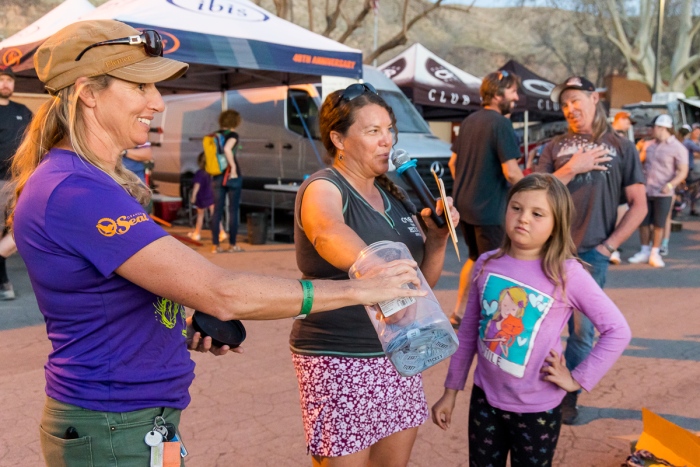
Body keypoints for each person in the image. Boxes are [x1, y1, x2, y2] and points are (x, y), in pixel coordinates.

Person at [9, 20, 424, 466]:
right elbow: (221, 292)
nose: (157, 101)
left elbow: (113, 299)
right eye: (140, 86)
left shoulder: (91, 183)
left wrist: (176, 326)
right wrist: (358, 289)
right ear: (89, 91)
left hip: (137, 420)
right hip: (113, 423)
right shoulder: (74, 189)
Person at [290, 82, 459, 467]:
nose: (387, 141)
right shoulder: (324, 186)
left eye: (390, 129)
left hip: (399, 355)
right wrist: (381, 278)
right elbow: (328, 230)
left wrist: (436, 240)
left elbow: (422, 286)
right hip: (339, 355)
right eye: (372, 131)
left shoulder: (397, 194)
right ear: (339, 138)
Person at [431, 174, 631, 465]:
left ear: (556, 224)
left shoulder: (566, 273)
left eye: (538, 213)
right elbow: (468, 335)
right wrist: (450, 392)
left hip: (538, 409)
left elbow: (617, 330)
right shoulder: (486, 263)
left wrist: (576, 379)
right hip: (485, 400)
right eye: (516, 208)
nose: (523, 218)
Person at [534, 76, 646, 424]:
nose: (570, 108)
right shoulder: (553, 147)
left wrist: (608, 246)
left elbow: (639, 204)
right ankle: (534, 393)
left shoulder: (622, 146)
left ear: (594, 98)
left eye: (576, 100)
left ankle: (569, 394)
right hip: (549, 253)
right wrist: (571, 168)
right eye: (564, 103)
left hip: (591, 256)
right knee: (537, 325)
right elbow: (534, 193)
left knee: (583, 333)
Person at [448, 70, 524, 328]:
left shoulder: (470, 120)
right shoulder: (500, 123)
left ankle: (458, 313)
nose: (516, 96)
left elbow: (453, 163)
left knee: (474, 259)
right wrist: (535, 192)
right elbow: (511, 171)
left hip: (465, 208)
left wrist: (469, 186)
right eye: (513, 90)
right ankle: (489, 319)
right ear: (497, 93)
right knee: (495, 266)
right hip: (489, 211)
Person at [628, 114, 687, 267]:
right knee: (643, 222)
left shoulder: (678, 148)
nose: (651, 130)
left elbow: (682, 171)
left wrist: (670, 184)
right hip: (646, 190)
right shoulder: (649, 145)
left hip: (663, 192)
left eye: (653, 127)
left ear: (661, 127)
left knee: (659, 223)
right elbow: (640, 163)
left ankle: (655, 252)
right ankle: (644, 251)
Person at [0, 67, 32, 300]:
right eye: (1, 80)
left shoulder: (23, 111)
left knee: (19, 229)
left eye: (9, 80)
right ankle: (4, 282)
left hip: (20, 181)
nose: (5, 84)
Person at [210, 109, 243, 253]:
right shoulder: (233, 135)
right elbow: (228, 149)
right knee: (233, 210)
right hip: (232, 176)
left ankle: (215, 245)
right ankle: (232, 244)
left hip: (217, 175)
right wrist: (234, 168)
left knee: (217, 211)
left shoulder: (215, 136)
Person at [187, 152, 215, 242]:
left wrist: (193, 196)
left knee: (200, 215)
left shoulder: (199, 173)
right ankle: (221, 232)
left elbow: (197, 186)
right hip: (212, 196)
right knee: (214, 215)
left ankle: (197, 233)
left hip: (202, 197)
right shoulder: (212, 173)